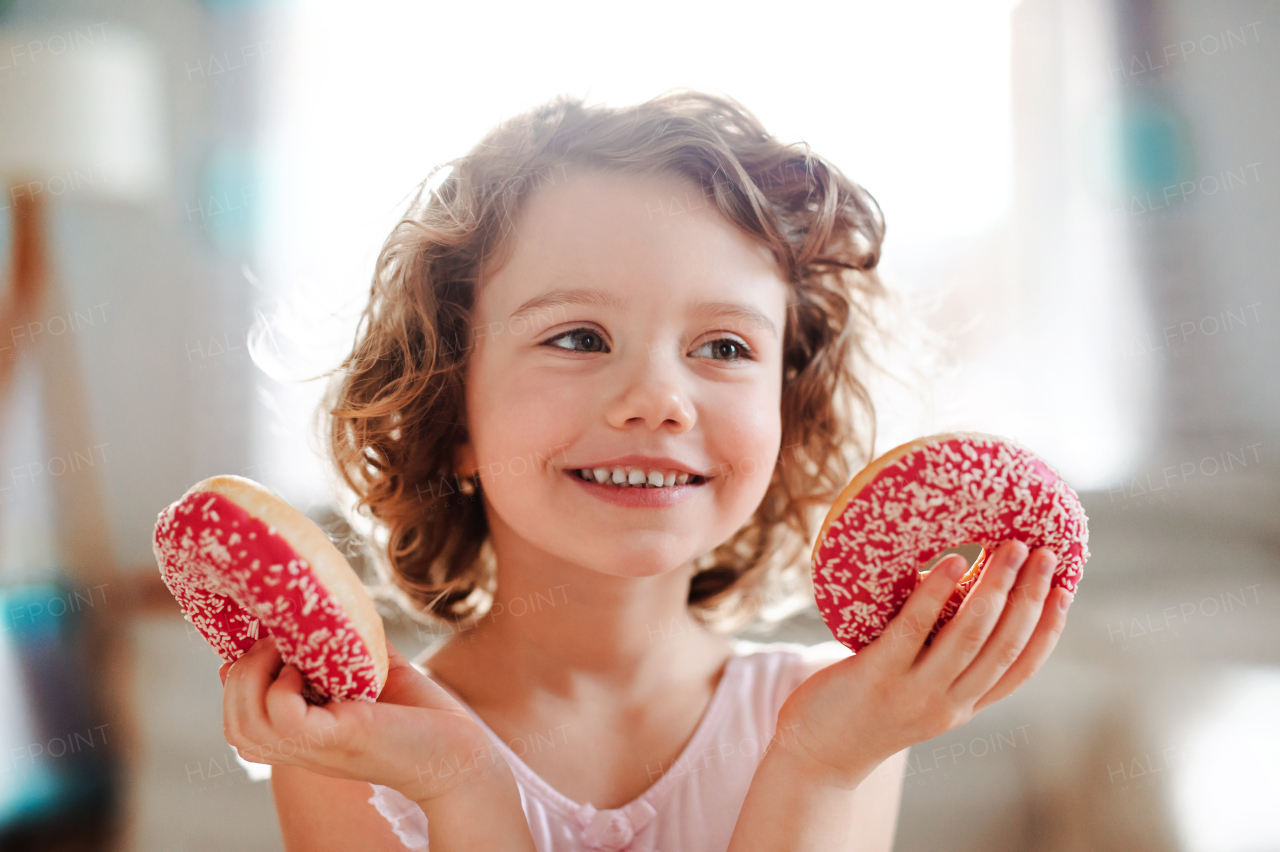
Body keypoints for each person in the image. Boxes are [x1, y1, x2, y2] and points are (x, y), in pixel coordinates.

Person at [218, 89, 1073, 851]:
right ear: (452, 416)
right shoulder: (350, 743)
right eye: (579, 338)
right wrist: (458, 782)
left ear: (787, 411)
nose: (659, 399)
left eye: (725, 347)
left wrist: (817, 766)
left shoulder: (847, 716)